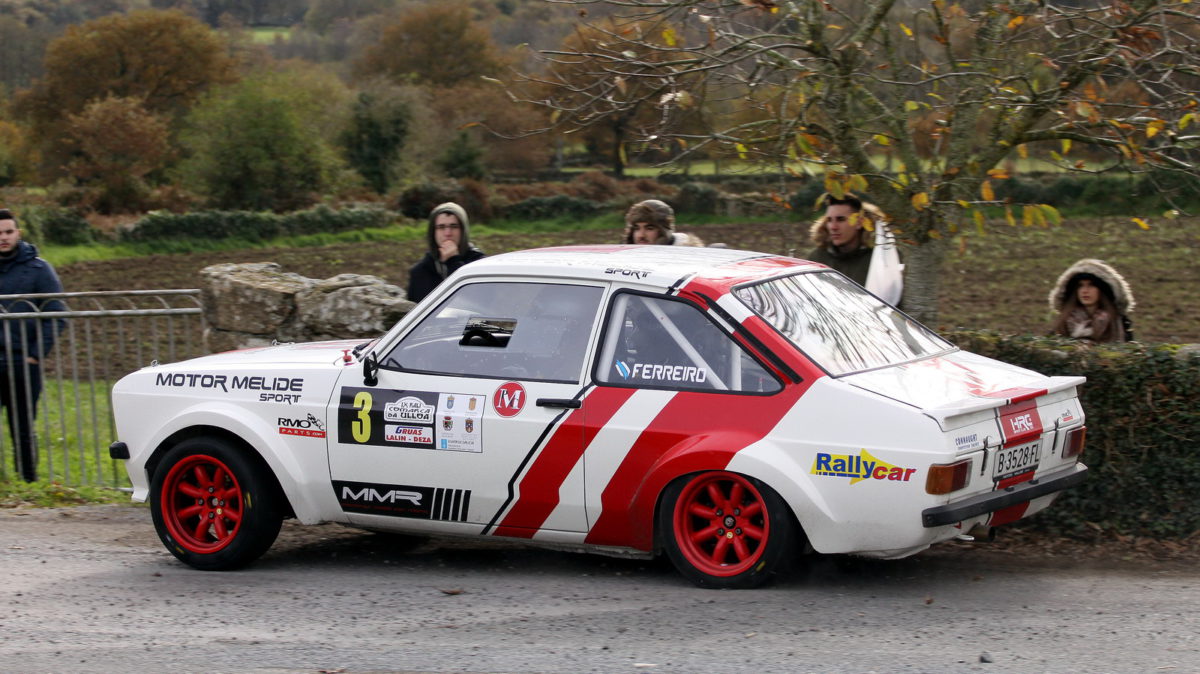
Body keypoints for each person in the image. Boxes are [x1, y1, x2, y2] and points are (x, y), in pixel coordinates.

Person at [0, 208, 65, 482]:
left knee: (23, 426)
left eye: (8, 232)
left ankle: (28, 481)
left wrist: (35, 356)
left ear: (18, 233)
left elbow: (56, 315)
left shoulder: (39, 268)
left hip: (22, 362)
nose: (3, 238)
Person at [407, 202, 485, 303]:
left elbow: (477, 301)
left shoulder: (479, 265)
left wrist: (453, 261)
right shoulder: (420, 272)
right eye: (441, 227)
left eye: (454, 226)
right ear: (433, 232)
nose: (448, 233)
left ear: (463, 231)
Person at [806, 193, 888, 287]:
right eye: (829, 220)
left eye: (840, 219)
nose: (833, 227)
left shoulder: (879, 260)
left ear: (859, 222)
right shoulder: (817, 259)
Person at [1049, 258, 1134, 343]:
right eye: (1080, 285)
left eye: (1091, 285)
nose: (1085, 290)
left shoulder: (1118, 323)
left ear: (1102, 290)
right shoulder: (1063, 322)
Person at [621, 199, 705, 247]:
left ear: (663, 231)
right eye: (637, 228)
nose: (641, 235)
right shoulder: (627, 260)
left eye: (649, 228)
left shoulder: (686, 257)